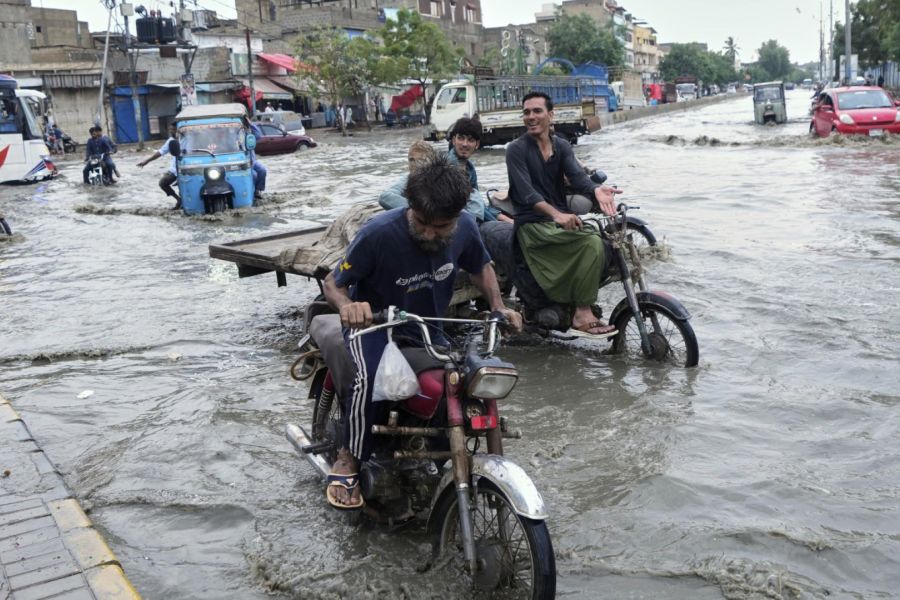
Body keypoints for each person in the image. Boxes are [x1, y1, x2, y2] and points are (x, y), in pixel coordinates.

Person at [322, 155, 523, 509]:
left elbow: (481, 267)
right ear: (410, 207)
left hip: (430, 328)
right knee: (366, 380)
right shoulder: (378, 233)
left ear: (458, 215)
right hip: (376, 327)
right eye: (422, 222)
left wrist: (499, 306)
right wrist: (347, 306)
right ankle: (348, 456)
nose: (430, 233)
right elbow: (333, 283)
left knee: (463, 382)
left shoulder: (466, 228)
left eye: (441, 227)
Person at [506, 91, 621, 338]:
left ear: (551, 115)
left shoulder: (562, 145)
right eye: (526, 112)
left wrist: (596, 189)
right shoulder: (515, 150)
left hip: (555, 222)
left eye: (537, 111)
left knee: (600, 239)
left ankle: (576, 301)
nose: (531, 117)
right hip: (532, 226)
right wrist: (557, 214)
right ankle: (581, 312)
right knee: (590, 242)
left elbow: (578, 178)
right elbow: (527, 194)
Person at [137, 123, 181, 209]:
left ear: (178, 129)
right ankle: (178, 199)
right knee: (163, 183)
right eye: (170, 129)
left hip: (188, 167)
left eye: (173, 129)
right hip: (175, 169)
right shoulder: (171, 141)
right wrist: (147, 161)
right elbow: (160, 152)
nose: (171, 131)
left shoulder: (187, 139)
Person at [247, 121, 267, 200]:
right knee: (254, 175)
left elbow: (258, 135)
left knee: (262, 170)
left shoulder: (248, 134)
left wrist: (250, 123)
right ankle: (252, 192)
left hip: (253, 161)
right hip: (245, 162)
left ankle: (258, 190)